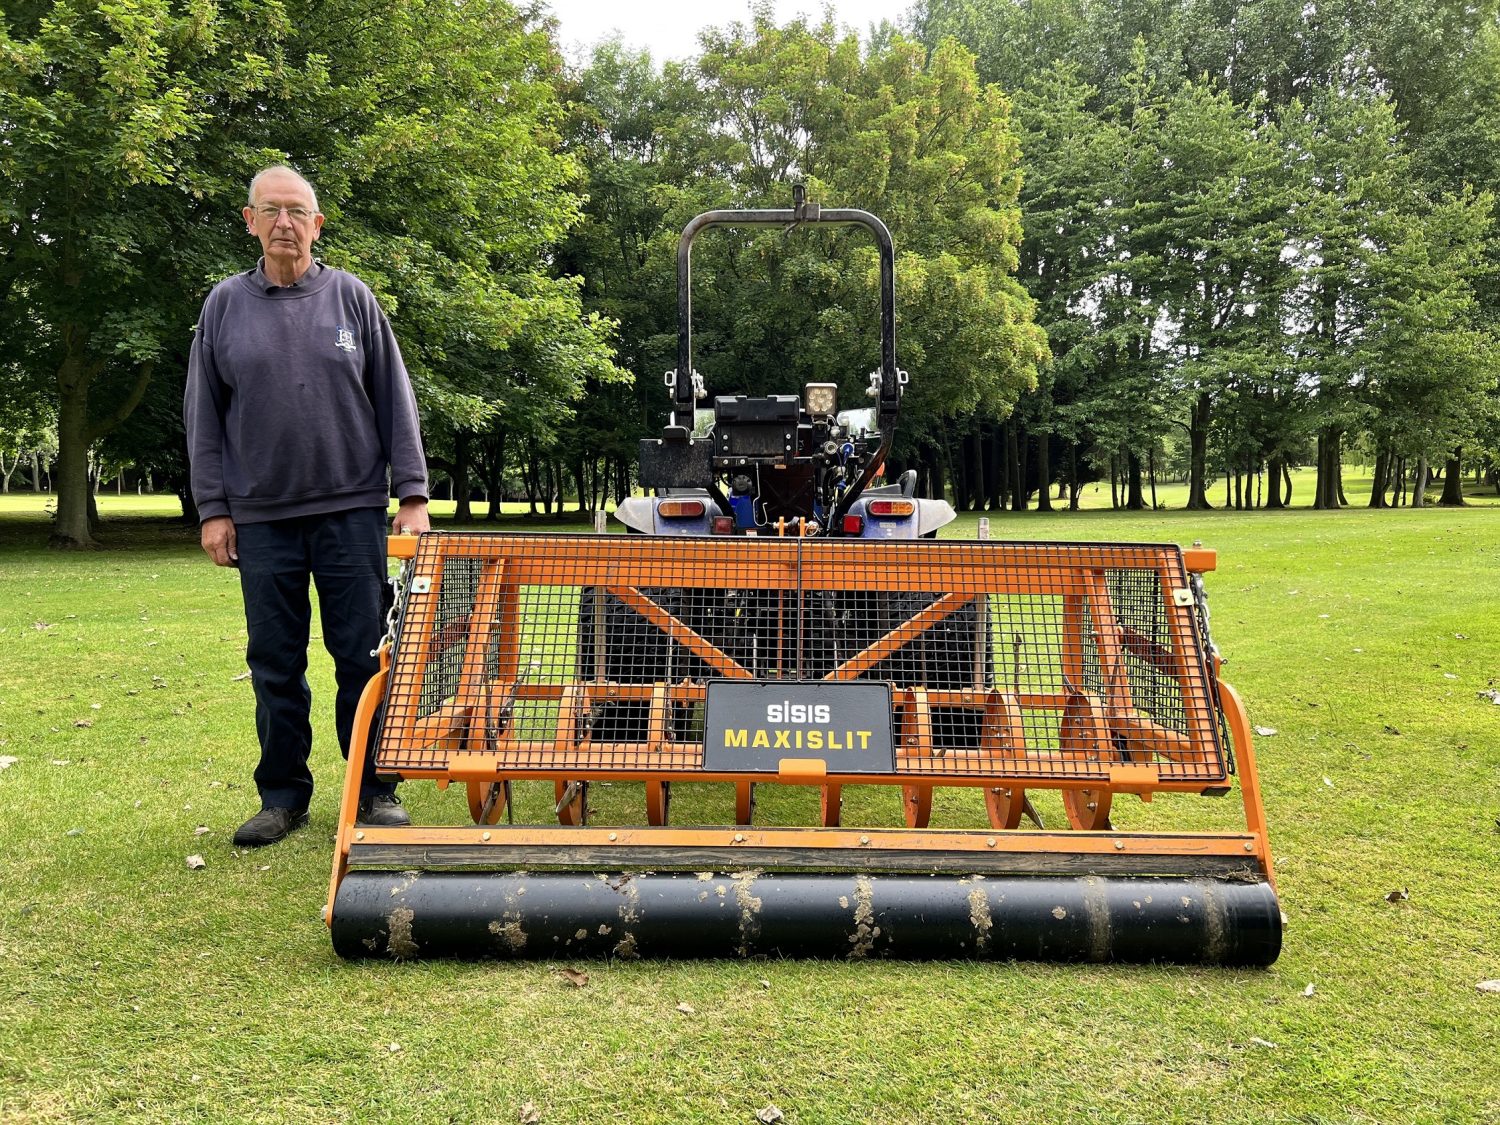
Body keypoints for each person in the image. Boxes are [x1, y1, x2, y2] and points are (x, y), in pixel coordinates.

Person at [184, 165, 431, 847]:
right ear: (250, 220)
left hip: (351, 512)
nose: (286, 222)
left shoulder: (352, 299)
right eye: (273, 210)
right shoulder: (223, 307)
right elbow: (204, 418)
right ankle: (283, 795)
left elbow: (394, 399)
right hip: (261, 518)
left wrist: (412, 493)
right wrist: (214, 508)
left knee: (362, 655)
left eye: (299, 211)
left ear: (317, 224)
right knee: (274, 661)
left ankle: (374, 787)